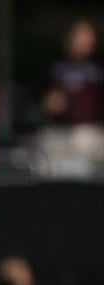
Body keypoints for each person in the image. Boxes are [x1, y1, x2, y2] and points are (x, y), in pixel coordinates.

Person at [37, 20, 104, 178]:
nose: (81, 43)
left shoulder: (98, 71)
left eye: (85, 39)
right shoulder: (55, 70)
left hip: (91, 133)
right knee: (43, 150)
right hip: (60, 133)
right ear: (67, 41)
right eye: (77, 38)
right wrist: (48, 102)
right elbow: (41, 99)